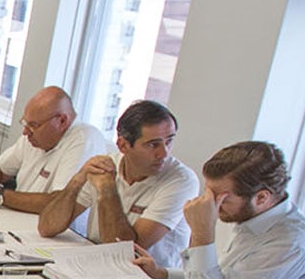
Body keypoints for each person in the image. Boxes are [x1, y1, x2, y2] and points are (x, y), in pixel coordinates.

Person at [138, 139, 305, 279]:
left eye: (221, 197)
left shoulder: (291, 244)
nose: (208, 203)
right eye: (208, 192)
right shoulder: (254, 217)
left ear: (261, 198)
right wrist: (162, 275)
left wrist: (202, 233)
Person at [37, 98, 194, 270]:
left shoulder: (181, 181)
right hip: (97, 265)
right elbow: (47, 227)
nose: (164, 153)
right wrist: (77, 180)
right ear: (123, 145)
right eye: (153, 144)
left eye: (169, 141)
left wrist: (107, 191)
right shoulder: (107, 163)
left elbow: (124, 252)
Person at [0, 85, 111, 216]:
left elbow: (60, 203)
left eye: (34, 125)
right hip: (19, 219)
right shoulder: (33, 137)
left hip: (59, 237)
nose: (25, 132)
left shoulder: (84, 140)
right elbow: (1, 170)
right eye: (25, 123)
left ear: (62, 121)